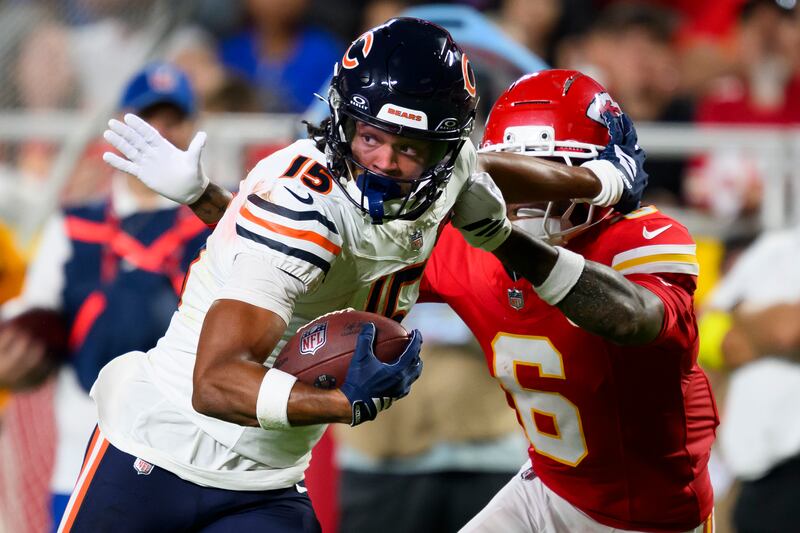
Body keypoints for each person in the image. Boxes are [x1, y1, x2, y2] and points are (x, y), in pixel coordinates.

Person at [58, 18, 593, 532]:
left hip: (267, 481)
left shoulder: (450, 171)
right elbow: (215, 382)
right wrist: (344, 403)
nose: (384, 161)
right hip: (159, 451)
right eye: (371, 138)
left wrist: (599, 185)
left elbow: (484, 168)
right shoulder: (304, 202)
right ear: (342, 122)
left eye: (409, 148)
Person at [439, 70, 718, 532]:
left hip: (654, 516)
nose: (524, 200)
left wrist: (504, 240)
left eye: (545, 173)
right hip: (549, 487)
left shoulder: (638, 238)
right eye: (511, 176)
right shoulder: (464, 245)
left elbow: (632, 319)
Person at [0, 62, 210, 533]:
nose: (158, 134)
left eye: (171, 120)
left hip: (193, 457)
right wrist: (20, 341)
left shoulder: (219, 221)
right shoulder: (74, 224)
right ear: (119, 127)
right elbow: (36, 307)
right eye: (145, 120)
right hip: (85, 453)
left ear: (193, 129)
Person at [702, 224, 800, 531]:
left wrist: (741, 316)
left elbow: (789, 334)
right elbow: (709, 331)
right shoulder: (776, 246)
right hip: (755, 473)